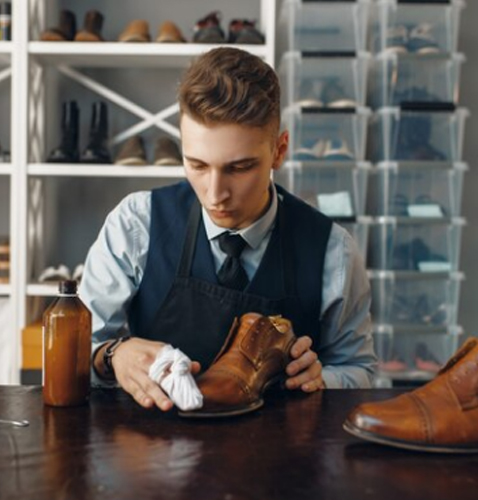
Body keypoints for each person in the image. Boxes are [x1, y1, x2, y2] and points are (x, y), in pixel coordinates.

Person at [81, 47, 376, 412]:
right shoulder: (136, 225)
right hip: (155, 460)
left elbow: (359, 370)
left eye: (239, 168)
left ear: (279, 151)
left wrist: (322, 379)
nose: (215, 193)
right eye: (198, 165)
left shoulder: (333, 252)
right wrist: (113, 355)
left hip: (282, 463)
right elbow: (74, 356)